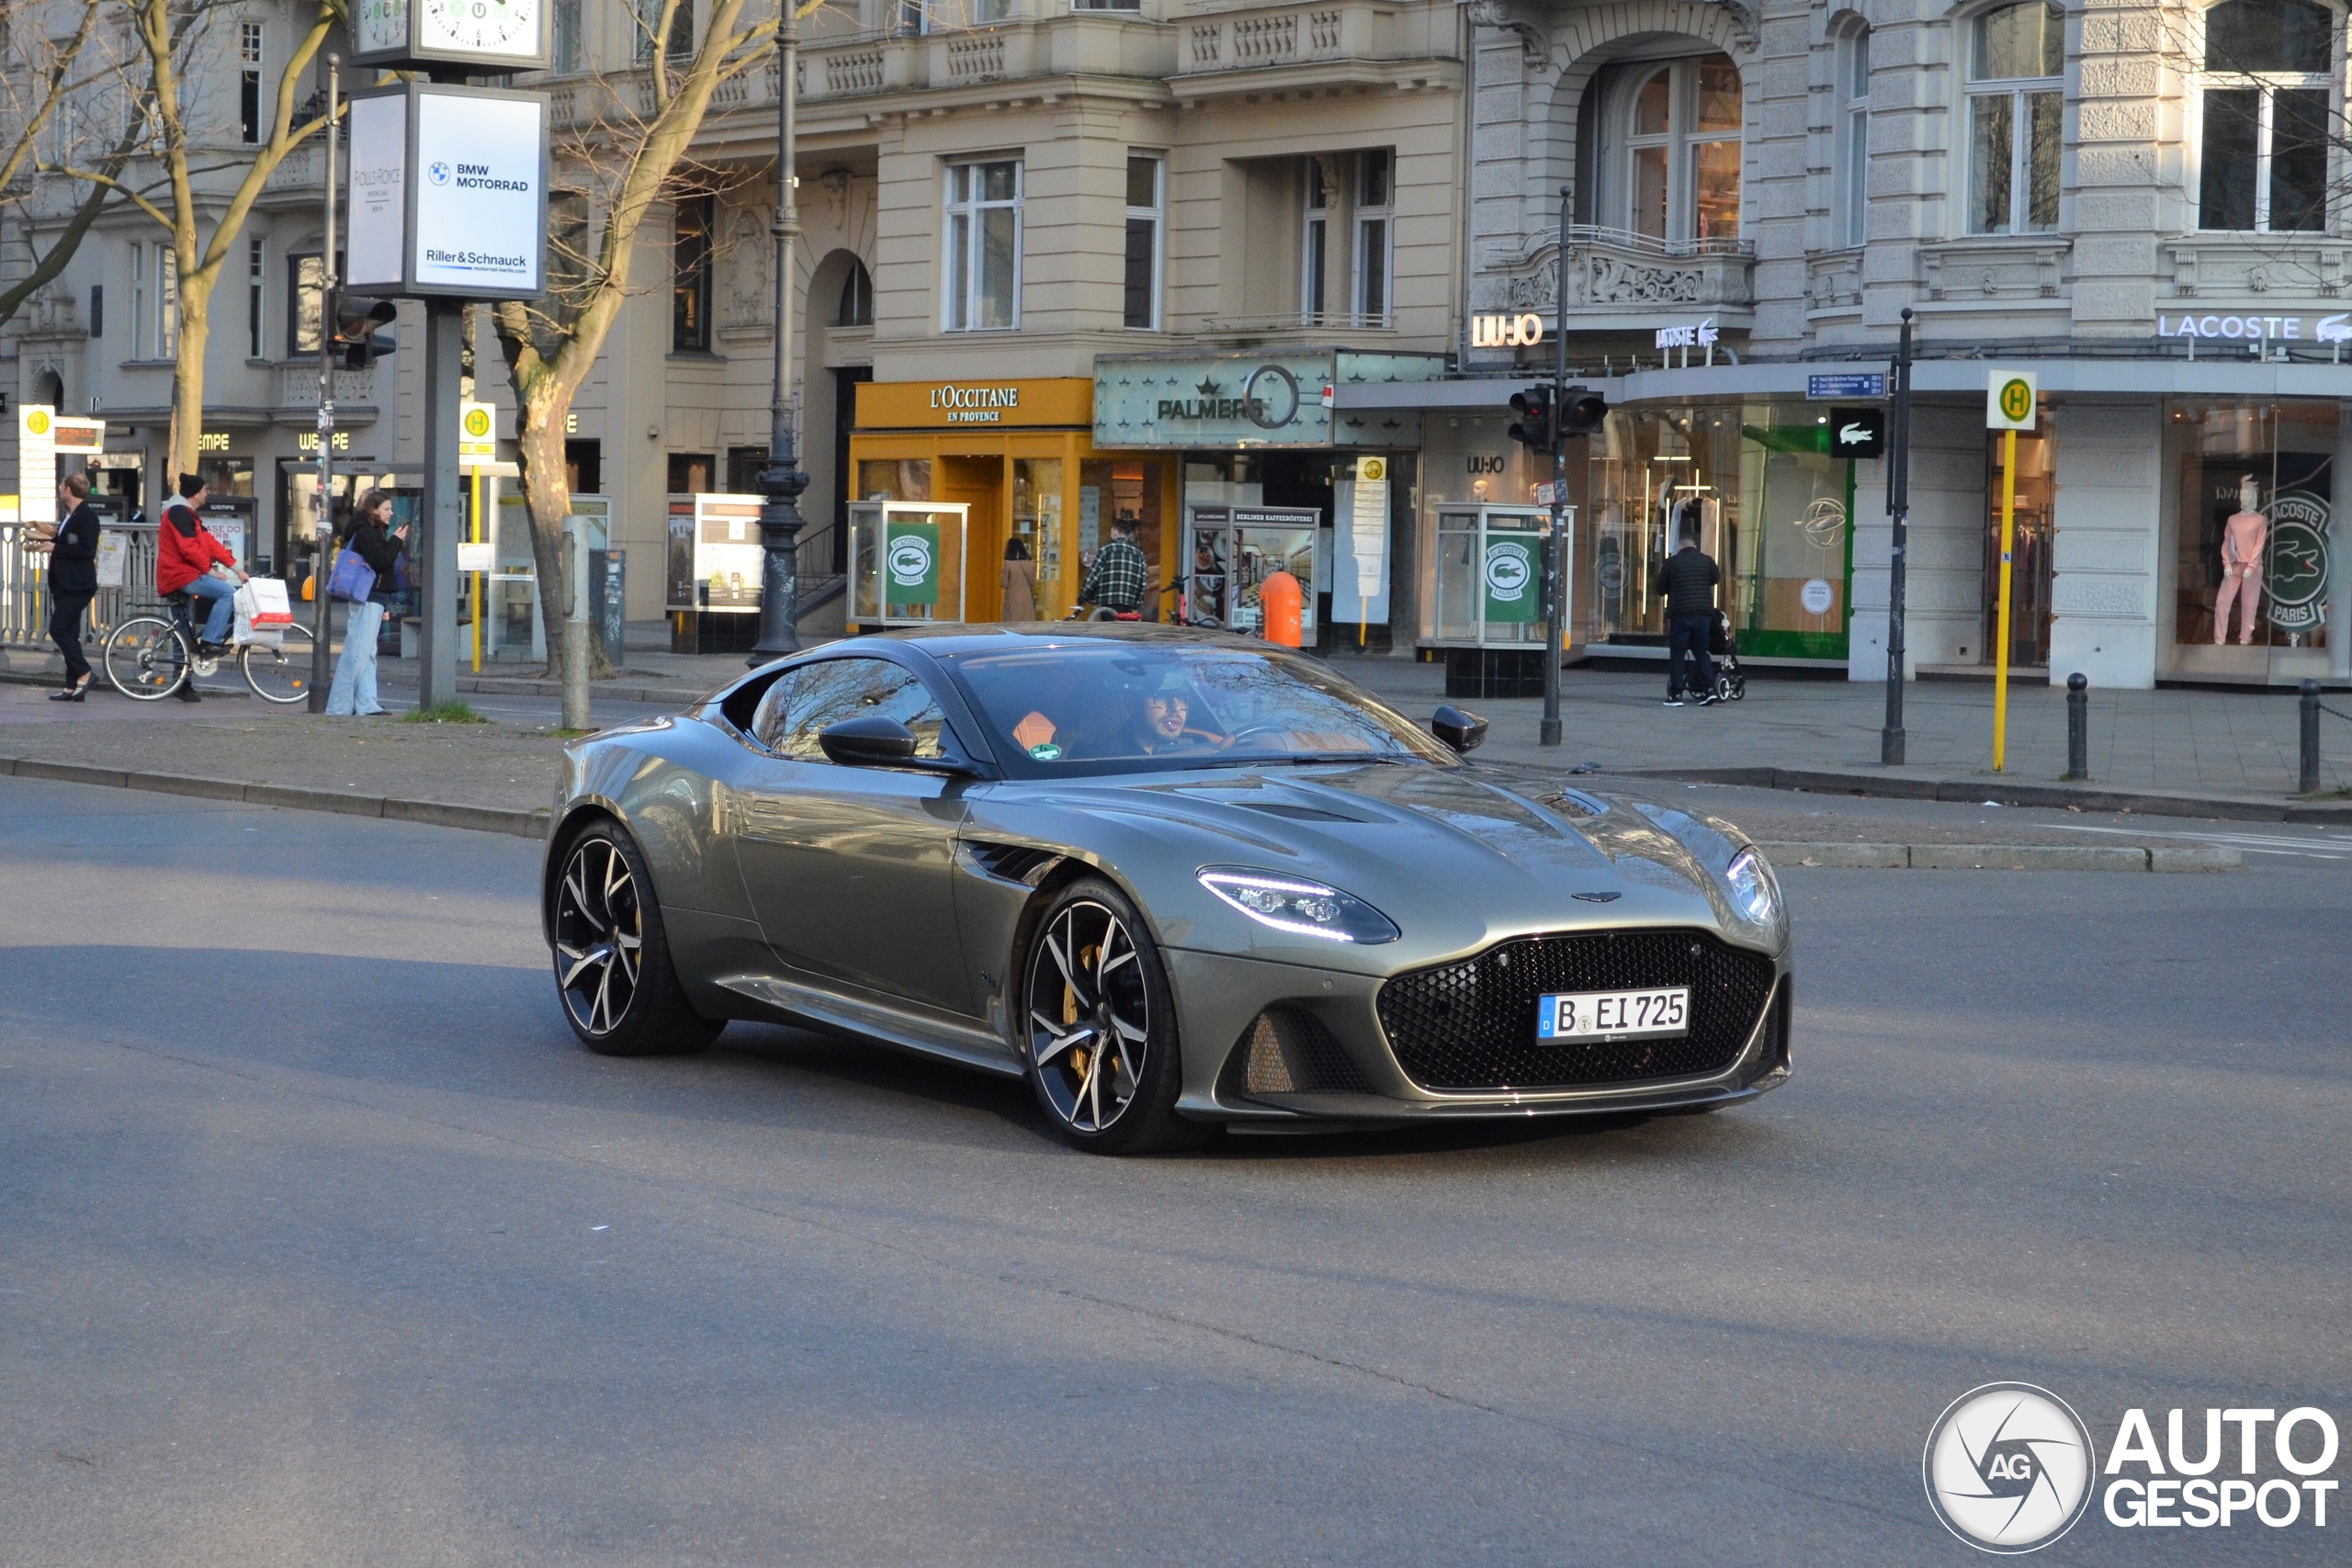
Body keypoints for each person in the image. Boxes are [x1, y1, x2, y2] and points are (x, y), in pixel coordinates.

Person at [156, 476, 248, 703]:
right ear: (196, 493)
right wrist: (209, 571)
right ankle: (210, 643)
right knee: (227, 593)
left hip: (178, 575)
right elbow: (189, 548)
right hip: (181, 575)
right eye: (205, 490)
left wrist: (237, 569)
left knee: (183, 635)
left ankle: (181, 683)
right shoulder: (179, 512)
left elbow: (209, 544)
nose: (207, 493)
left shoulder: (187, 515)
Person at [324, 490, 409, 717]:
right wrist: (396, 541)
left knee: (366, 653)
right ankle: (339, 707)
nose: (391, 513)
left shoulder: (367, 530)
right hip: (368, 597)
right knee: (358, 653)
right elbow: (381, 561)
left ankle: (367, 704)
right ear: (374, 510)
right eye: (387, 509)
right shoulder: (367, 532)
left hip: (371, 597)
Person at [40, 472, 102, 701]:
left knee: (58, 629)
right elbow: (67, 542)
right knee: (71, 633)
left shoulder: (87, 516)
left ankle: (85, 673)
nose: (59, 488)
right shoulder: (71, 515)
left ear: (68, 490)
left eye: (61, 486)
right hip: (65, 583)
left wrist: (55, 548)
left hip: (78, 584)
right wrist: (47, 539)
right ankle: (72, 686)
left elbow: (87, 551)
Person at [1660, 516, 1722, 708]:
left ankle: (1676, 695)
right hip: (1703, 615)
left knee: (1678, 654)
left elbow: (1660, 588)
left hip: (1681, 614)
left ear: (1680, 546)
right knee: (1702, 652)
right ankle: (1709, 691)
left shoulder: (1673, 562)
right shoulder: (1707, 561)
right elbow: (1715, 579)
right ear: (1695, 546)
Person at [1078, 515, 1148, 615]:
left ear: (1115, 531)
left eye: (1111, 531)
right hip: (1128, 603)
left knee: (1108, 629)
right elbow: (1144, 582)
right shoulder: (1139, 555)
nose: (1111, 534)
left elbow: (1093, 576)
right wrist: (1137, 603)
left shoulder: (1106, 550)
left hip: (1108, 601)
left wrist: (1083, 596)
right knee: (1123, 629)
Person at [1001, 535, 1038, 623]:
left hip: (1012, 598)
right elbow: (1033, 582)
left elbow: (1004, 584)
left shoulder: (1008, 564)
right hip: (1026, 598)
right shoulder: (1031, 563)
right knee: (1026, 623)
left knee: (1011, 623)